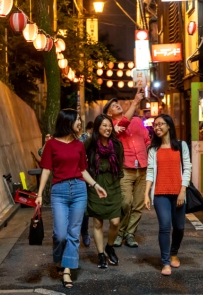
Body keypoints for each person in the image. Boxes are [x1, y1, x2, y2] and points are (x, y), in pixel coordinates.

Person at [35, 109, 107, 289]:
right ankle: (59, 258)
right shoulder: (51, 144)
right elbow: (46, 170)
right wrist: (39, 194)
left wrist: (96, 186)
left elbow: (83, 171)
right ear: (67, 122)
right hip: (59, 191)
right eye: (77, 120)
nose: (80, 123)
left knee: (74, 233)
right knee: (60, 234)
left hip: (79, 190)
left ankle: (67, 269)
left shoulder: (79, 145)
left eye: (80, 120)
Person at [144, 114, 192, 276]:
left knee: (179, 227)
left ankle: (174, 253)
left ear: (169, 125)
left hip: (178, 192)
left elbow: (187, 168)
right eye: (155, 125)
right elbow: (150, 172)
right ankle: (165, 262)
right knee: (165, 226)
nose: (157, 128)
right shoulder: (153, 149)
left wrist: (182, 191)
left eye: (160, 124)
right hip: (160, 194)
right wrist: (146, 194)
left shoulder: (181, 145)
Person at [104, 88, 150, 247]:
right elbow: (124, 122)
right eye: (112, 105)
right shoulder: (111, 127)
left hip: (142, 168)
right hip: (125, 168)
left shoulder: (137, 121)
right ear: (108, 114)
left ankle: (130, 234)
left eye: (117, 103)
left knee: (137, 204)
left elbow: (147, 140)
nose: (116, 105)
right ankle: (120, 232)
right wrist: (136, 101)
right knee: (125, 202)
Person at [84, 114, 124, 268]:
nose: (108, 129)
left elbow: (120, 166)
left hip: (113, 184)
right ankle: (101, 254)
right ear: (97, 128)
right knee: (97, 223)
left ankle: (109, 247)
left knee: (115, 222)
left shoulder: (117, 144)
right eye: (104, 126)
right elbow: (80, 161)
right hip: (96, 183)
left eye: (109, 126)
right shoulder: (90, 144)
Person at [78, 121, 94, 247]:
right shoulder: (83, 138)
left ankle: (84, 232)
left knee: (84, 206)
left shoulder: (85, 138)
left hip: (86, 173)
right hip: (70, 176)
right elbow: (41, 153)